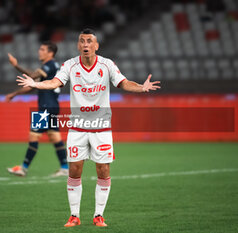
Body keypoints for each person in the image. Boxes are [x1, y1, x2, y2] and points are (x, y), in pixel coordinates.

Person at [16, 29, 161, 227]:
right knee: (74, 170)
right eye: (82, 41)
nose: (85, 44)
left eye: (89, 41)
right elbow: (54, 82)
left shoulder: (107, 64)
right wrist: (36, 84)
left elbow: (124, 83)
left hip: (101, 127)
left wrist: (141, 87)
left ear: (96, 46)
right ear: (78, 45)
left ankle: (98, 215)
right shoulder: (70, 65)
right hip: (78, 127)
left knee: (103, 170)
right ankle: (74, 216)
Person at [6, 41, 69, 177]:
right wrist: (14, 94)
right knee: (55, 137)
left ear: (50, 53)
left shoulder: (49, 65)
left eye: (42, 49)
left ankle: (23, 168)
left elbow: (32, 77)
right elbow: (32, 86)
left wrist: (16, 65)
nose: (39, 51)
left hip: (45, 108)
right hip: (53, 107)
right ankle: (65, 167)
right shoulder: (54, 66)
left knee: (33, 136)